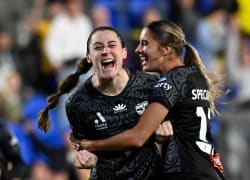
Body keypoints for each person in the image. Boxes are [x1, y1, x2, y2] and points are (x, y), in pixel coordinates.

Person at [72, 20, 226, 180]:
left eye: (145, 44)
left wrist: (90, 144)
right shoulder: (195, 75)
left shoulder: (171, 81)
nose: (138, 50)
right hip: (211, 170)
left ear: (166, 49)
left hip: (187, 172)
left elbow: (138, 137)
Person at [38, 26, 170, 179]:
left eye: (112, 45)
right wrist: (87, 159)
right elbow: (87, 152)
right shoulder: (77, 103)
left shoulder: (149, 84)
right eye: (98, 47)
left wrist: (163, 137)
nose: (106, 51)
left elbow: (166, 135)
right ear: (88, 57)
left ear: (124, 53)